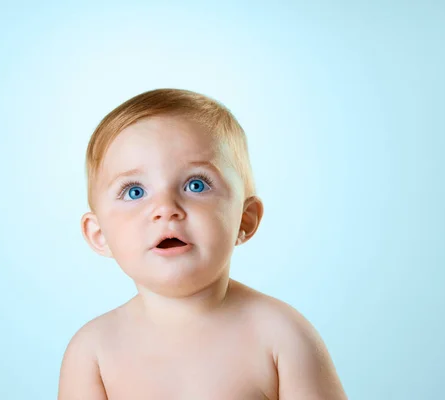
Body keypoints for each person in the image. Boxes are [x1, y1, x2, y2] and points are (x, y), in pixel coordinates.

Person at [57, 88, 348, 399]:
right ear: (99, 234)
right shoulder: (94, 351)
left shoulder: (282, 336)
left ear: (244, 219)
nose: (165, 208)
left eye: (196, 184)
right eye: (134, 192)